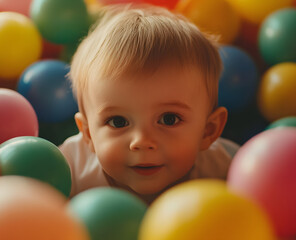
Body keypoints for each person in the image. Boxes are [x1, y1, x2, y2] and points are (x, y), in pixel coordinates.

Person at [59, 4, 239, 204]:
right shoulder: (67, 170)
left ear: (208, 130)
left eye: (169, 119)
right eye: (118, 121)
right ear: (88, 133)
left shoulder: (227, 171)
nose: (142, 141)